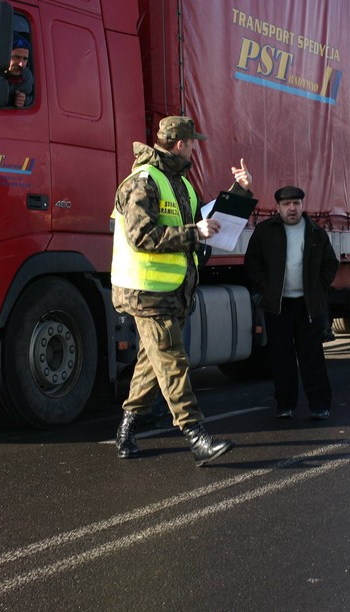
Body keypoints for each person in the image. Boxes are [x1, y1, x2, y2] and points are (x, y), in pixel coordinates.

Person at [111, 115, 250, 466]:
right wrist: (193, 233)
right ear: (179, 144)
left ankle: (126, 430)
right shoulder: (143, 182)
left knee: (149, 363)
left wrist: (239, 194)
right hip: (145, 293)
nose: (194, 149)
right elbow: (142, 236)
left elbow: (203, 221)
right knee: (173, 361)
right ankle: (195, 435)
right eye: (192, 143)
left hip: (172, 292)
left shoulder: (182, 185)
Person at [245, 185, 339, 421]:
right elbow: (252, 263)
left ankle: (320, 406)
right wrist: (266, 289)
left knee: (312, 358)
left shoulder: (315, 232)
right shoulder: (266, 232)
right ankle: (285, 405)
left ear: (302, 205)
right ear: (278, 208)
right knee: (281, 358)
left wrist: (319, 288)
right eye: (286, 205)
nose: (292, 209)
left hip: (307, 306)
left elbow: (331, 263)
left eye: (296, 203)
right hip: (278, 306)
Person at [6, 38, 34, 108]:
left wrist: (24, 100)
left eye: (25, 59)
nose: (21, 64)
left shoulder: (26, 76)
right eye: (17, 57)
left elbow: (32, 100)